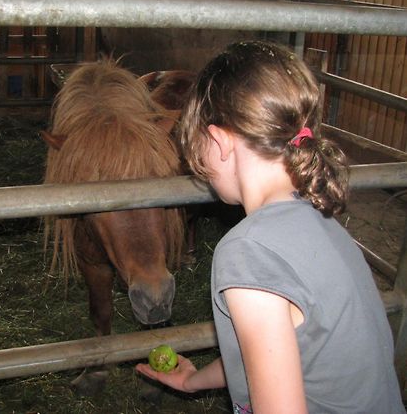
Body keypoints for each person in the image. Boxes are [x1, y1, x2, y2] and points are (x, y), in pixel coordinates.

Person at [135, 41, 405, 414]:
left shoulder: (248, 251)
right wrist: (192, 380)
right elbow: (274, 355)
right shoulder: (318, 219)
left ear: (219, 141)